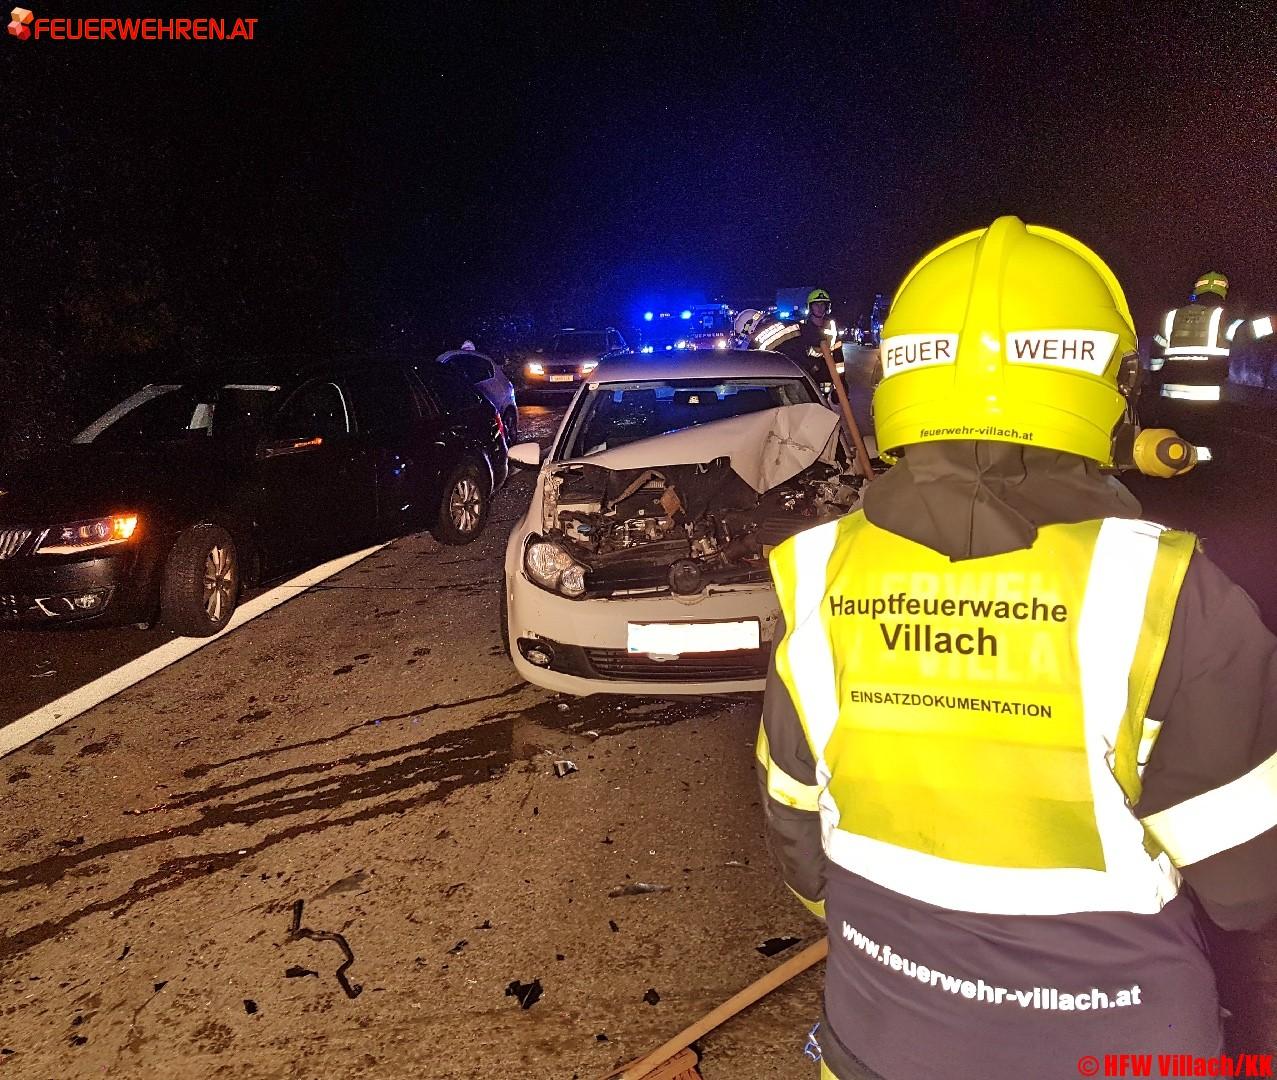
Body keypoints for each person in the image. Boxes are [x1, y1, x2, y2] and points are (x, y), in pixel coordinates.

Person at [755, 216, 1277, 1080]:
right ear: (1105, 382)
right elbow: (1249, 880)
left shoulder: (819, 572)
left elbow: (796, 828)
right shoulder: (1165, 594)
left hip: (877, 1039)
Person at [753, 288, 843, 388]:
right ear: (810, 307)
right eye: (816, 304)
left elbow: (838, 360)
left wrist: (841, 384)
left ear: (827, 307)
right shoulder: (800, 328)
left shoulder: (832, 329)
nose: (820, 308)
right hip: (804, 381)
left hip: (824, 381)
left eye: (823, 304)